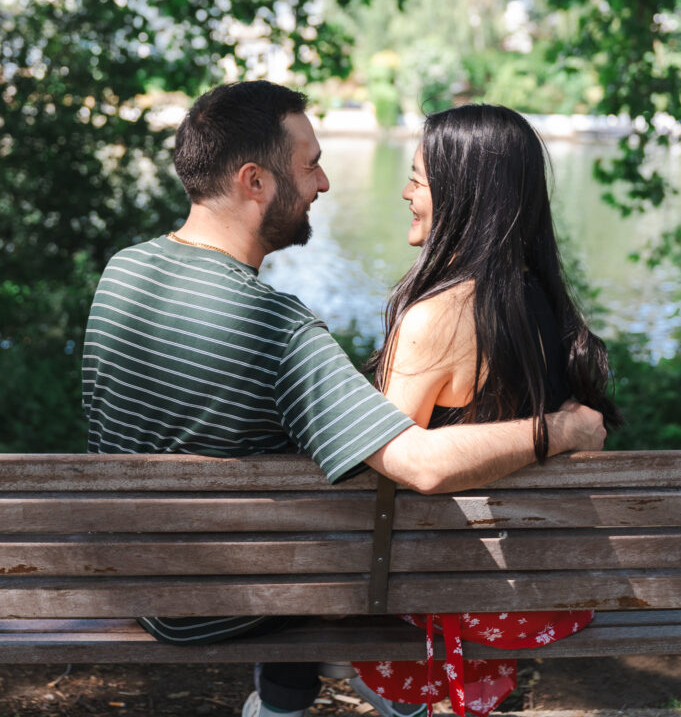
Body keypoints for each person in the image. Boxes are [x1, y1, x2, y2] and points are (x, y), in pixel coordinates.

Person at [82, 82, 607, 717]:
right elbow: (420, 464)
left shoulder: (123, 272)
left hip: (135, 583)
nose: (326, 183)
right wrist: (559, 430)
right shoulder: (278, 329)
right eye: (310, 165)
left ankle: (286, 701)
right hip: (221, 608)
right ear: (255, 181)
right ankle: (359, 697)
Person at [350, 104, 623, 717]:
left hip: (443, 598)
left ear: (462, 194)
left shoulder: (436, 318)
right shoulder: (547, 304)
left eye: (418, 179)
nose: (405, 192)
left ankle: (286, 698)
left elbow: (390, 469)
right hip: (544, 598)